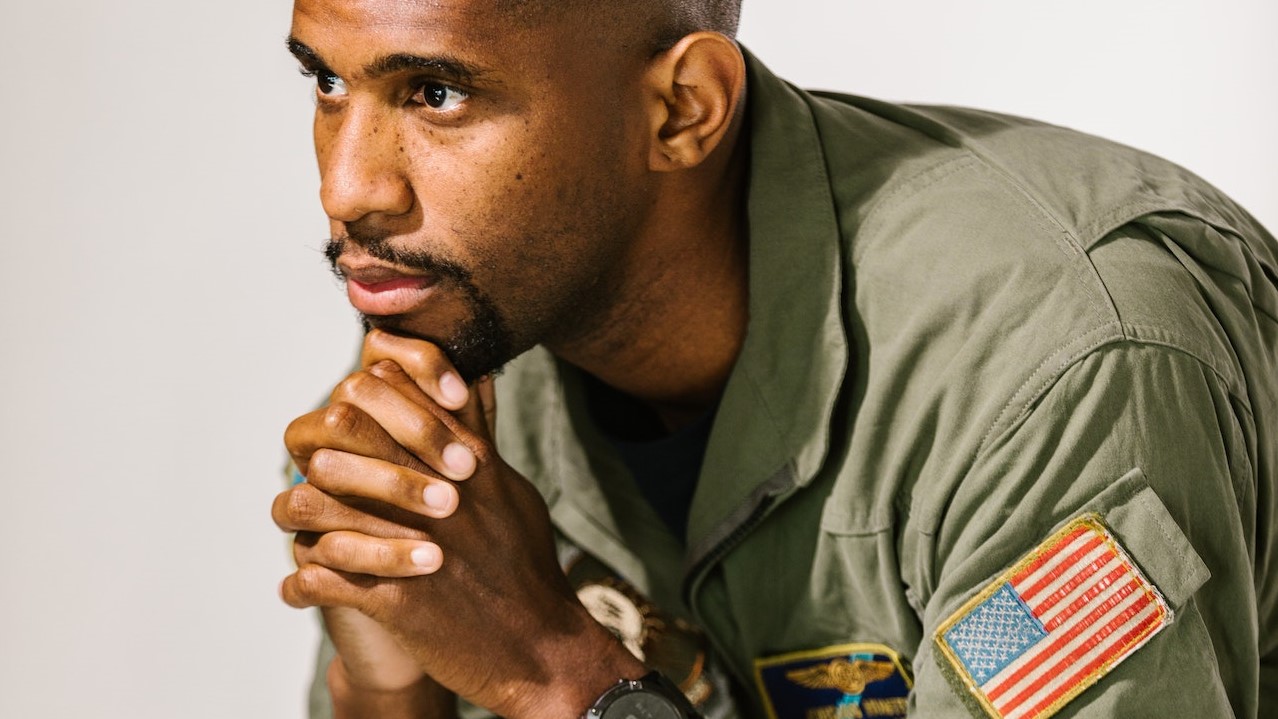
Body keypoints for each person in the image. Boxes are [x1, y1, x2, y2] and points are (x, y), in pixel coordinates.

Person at [270, 1, 1278, 718]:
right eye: (324, 80)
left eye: (436, 93)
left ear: (683, 110)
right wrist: (387, 688)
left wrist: (554, 675)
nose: (349, 188)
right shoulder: (447, 396)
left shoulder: (1058, 371)